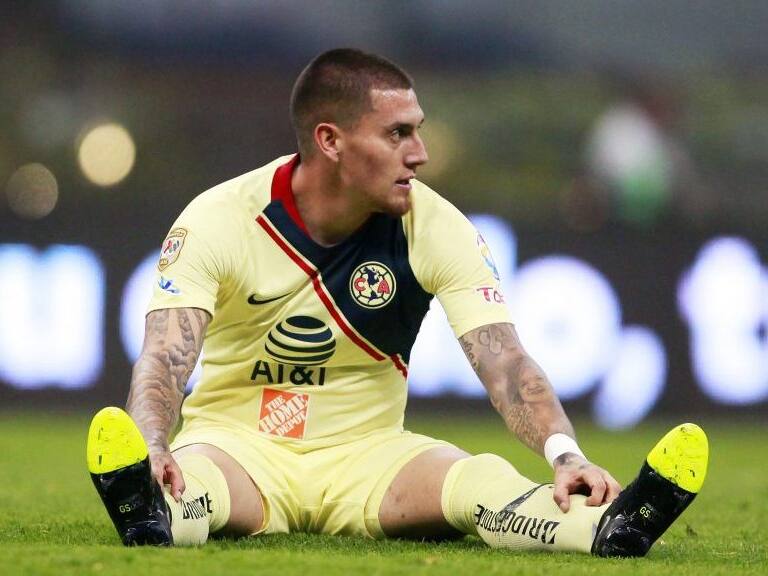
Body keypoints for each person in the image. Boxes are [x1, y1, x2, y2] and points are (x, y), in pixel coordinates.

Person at [87, 48, 708, 556]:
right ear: (330, 140)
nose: (420, 153)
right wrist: (152, 442)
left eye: (417, 130)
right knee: (196, 489)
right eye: (397, 133)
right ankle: (148, 505)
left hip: (370, 457)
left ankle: (612, 528)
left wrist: (565, 453)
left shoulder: (437, 227)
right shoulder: (220, 217)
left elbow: (508, 366)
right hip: (240, 448)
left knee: (479, 481)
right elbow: (167, 354)